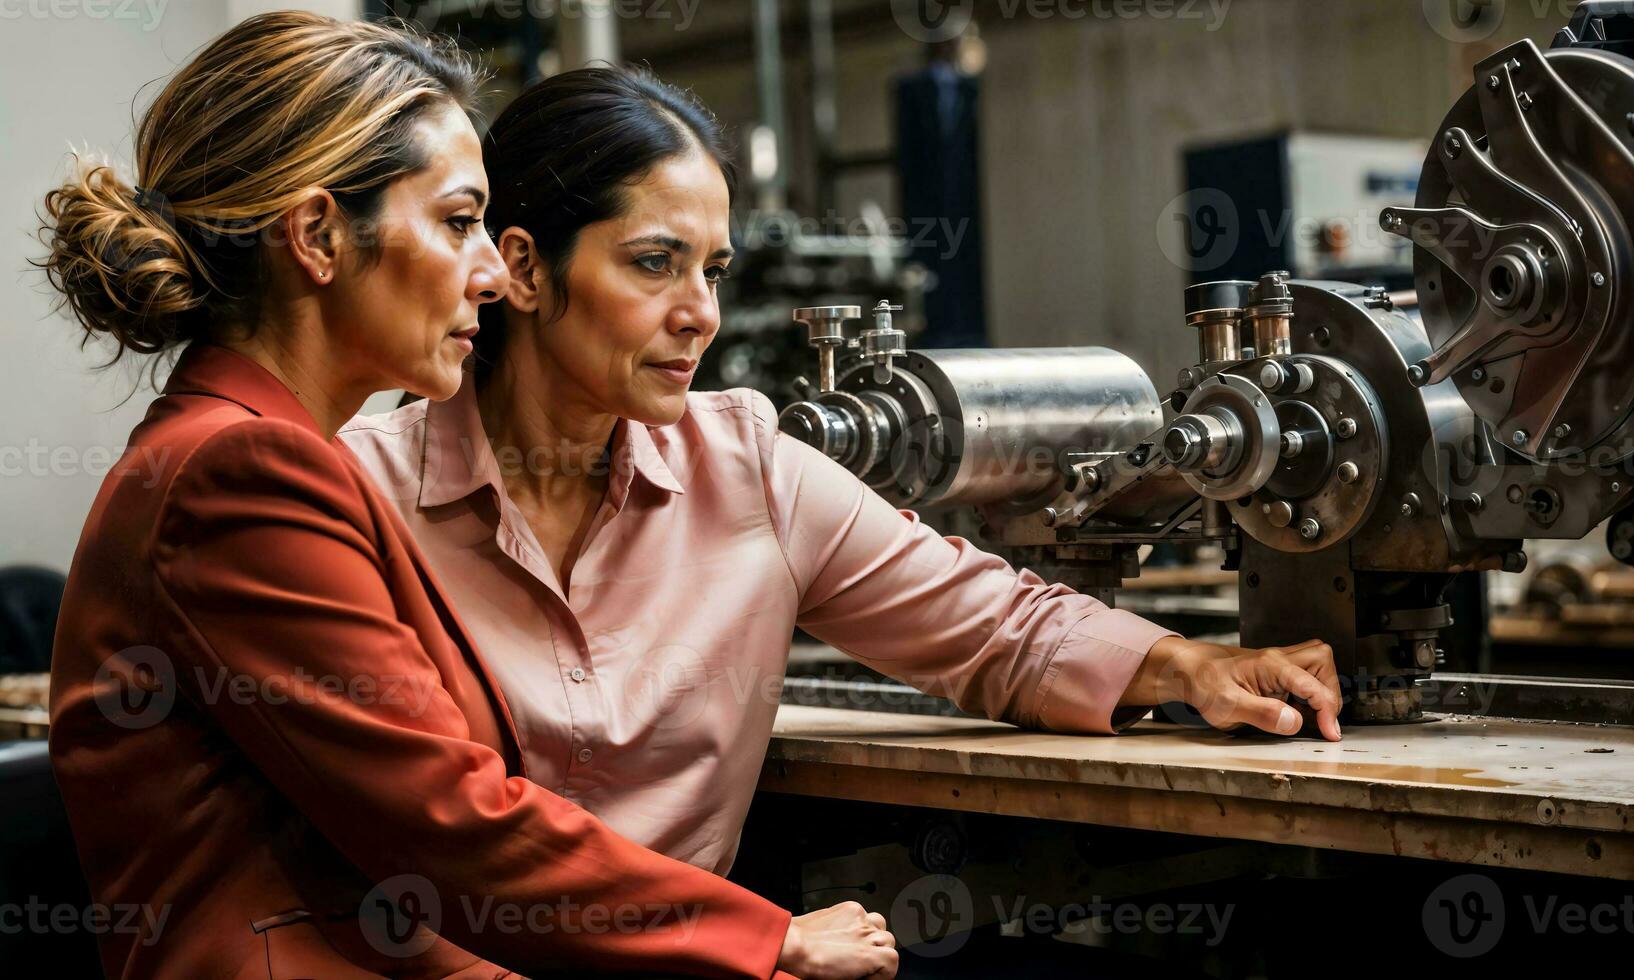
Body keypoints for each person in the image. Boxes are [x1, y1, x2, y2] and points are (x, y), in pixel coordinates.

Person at [338, 62, 1343, 938]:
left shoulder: (750, 473)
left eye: (713, 270)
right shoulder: (361, 494)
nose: (701, 313)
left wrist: (1192, 663)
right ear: (520, 268)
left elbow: (991, 627)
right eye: (654, 263)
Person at [43, 13, 882, 979]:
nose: (491, 272)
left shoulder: (247, 452)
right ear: (317, 235)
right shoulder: (243, 474)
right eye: (456, 222)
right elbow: (449, 823)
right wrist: (769, 934)